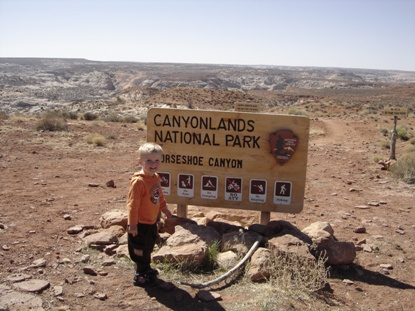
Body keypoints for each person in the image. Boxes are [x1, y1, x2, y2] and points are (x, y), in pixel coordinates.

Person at [126, 142, 172, 286]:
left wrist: (164, 209)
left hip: (151, 222)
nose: (153, 164)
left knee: (148, 247)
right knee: (139, 249)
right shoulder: (139, 182)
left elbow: (159, 195)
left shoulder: (155, 177)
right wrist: (132, 224)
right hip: (139, 224)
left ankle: (146, 269)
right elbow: (132, 205)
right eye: (149, 161)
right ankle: (140, 274)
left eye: (157, 160)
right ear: (140, 162)